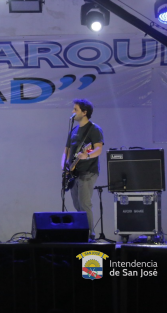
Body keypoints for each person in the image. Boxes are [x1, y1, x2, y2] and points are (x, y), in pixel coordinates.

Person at [61, 99, 104, 240]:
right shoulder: (73, 130)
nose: (73, 112)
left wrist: (87, 155)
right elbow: (67, 150)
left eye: (76, 109)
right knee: (77, 203)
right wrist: (64, 164)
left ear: (85, 112)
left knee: (84, 203)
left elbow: (98, 149)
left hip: (88, 171)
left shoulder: (94, 129)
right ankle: (82, 231)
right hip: (74, 172)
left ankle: (90, 235)